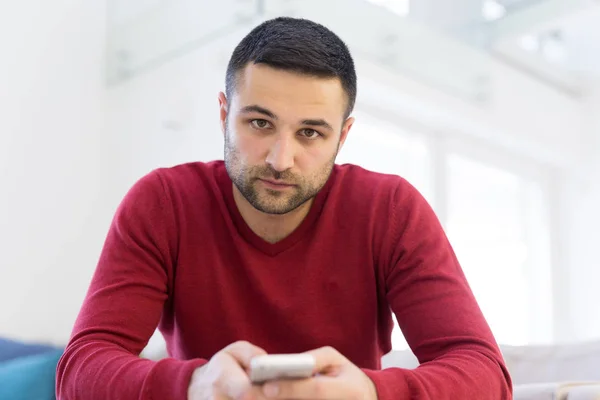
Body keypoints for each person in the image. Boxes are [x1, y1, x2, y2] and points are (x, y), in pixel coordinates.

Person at [56, 16, 512, 400]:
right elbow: (80, 370)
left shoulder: (391, 210)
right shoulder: (162, 202)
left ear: (343, 135)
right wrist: (193, 385)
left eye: (310, 132)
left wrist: (371, 394)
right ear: (223, 114)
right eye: (259, 122)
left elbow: (487, 375)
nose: (280, 159)